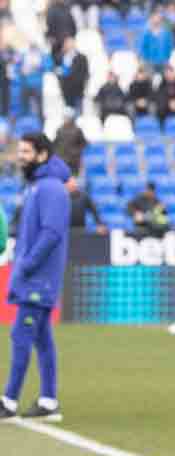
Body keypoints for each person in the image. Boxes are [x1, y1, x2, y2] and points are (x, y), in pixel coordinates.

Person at [1, 133, 71, 422]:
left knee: (21, 335)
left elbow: (52, 233)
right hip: (34, 275)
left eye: (26, 152)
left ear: (42, 154)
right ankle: (48, 400)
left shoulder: (51, 188)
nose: (21, 156)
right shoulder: (38, 187)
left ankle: (9, 400)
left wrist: (27, 265)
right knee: (42, 339)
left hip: (39, 277)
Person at [55, 36, 89, 113]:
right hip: (66, 89)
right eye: (67, 43)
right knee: (68, 111)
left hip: (78, 89)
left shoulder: (82, 57)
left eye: (70, 43)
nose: (68, 45)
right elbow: (58, 70)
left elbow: (85, 73)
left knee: (79, 112)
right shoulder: (61, 57)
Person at [18, 46, 50, 119]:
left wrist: (38, 66)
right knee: (24, 107)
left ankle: (40, 124)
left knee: (39, 107)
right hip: (26, 85)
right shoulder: (24, 55)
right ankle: (25, 123)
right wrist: (21, 70)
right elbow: (17, 67)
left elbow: (48, 66)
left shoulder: (42, 56)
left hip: (37, 85)